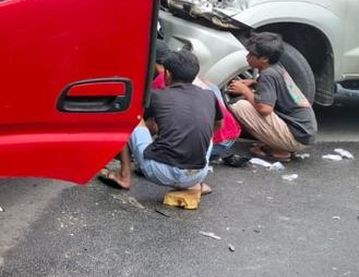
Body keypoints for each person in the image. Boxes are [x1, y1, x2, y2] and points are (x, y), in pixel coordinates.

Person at [99, 49, 221, 193]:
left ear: (167, 74)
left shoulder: (157, 96)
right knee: (204, 132)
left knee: (129, 115)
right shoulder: (209, 95)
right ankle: (193, 184)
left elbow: (141, 123)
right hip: (198, 173)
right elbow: (219, 125)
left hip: (160, 172)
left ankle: (124, 176)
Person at [227, 32, 317, 161]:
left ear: (264, 58)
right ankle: (278, 143)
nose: (247, 57)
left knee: (240, 106)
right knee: (250, 101)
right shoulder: (277, 69)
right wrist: (254, 83)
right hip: (304, 133)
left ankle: (279, 150)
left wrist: (245, 91)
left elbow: (265, 109)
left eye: (251, 54)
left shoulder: (268, 75)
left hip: (296, 137)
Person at [148, 41, 241, 160]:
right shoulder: (183, 73)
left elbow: (153, 126)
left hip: (219, 141)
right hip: (229, 135)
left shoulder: (164, 81)